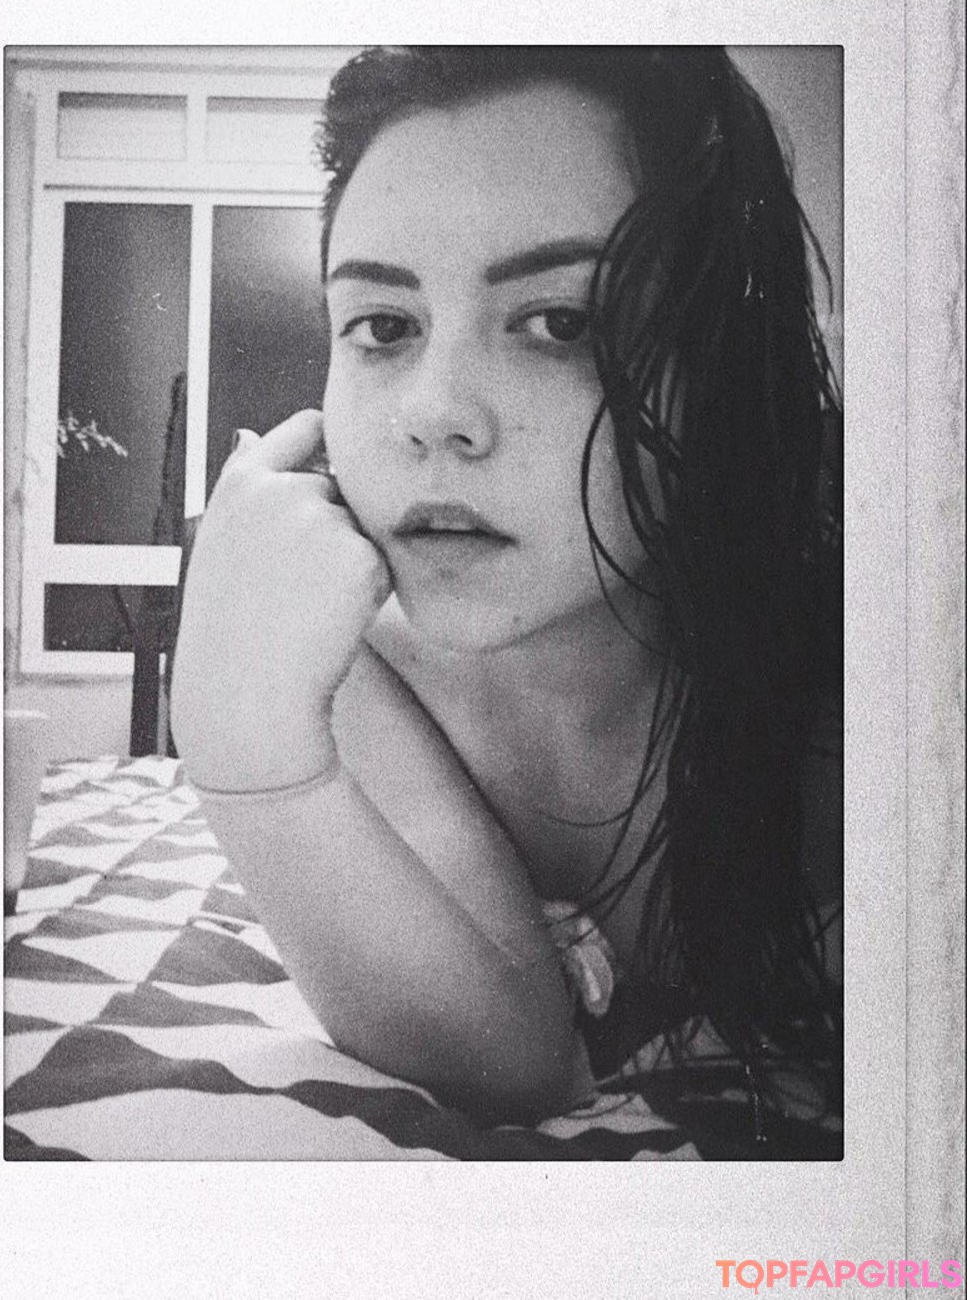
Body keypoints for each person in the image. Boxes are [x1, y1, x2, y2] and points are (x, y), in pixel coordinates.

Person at [171, 46, 843, 1137]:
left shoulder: (876, 647)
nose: (433, 413)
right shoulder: (358, 655)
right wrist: (239, 744)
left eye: (560, 322)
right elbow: (516, 1067)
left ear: (723, 361)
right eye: (384, 327)